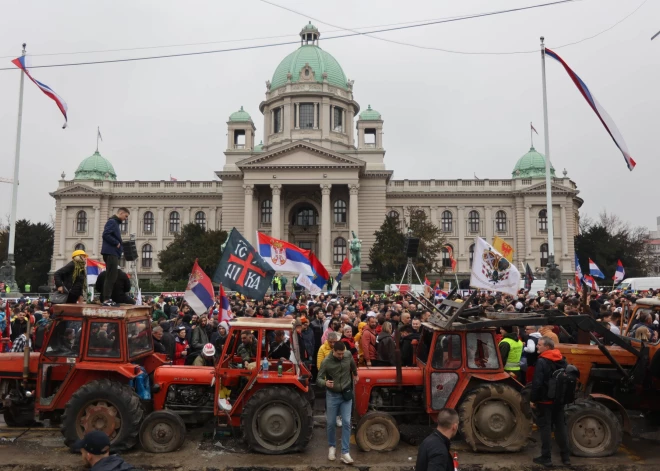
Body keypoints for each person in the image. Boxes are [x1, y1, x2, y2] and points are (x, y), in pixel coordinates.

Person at [530, 336, 571, 467]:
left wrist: (533, 399)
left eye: (540, 345)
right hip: (559, 400)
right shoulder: (562, 359)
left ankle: (546, 457)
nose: (537, 346)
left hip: (545, 401)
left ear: (547, 347)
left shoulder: (542, 361)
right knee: (561, 427)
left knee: (545, 428)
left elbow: (537, 383)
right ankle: (566, 458)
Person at [317, 340, 358, 465]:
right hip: (332, 395)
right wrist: (325, 383)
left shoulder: (348, 355)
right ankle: (332, 447)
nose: (341, 356)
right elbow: (318, 379)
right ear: (333, 351)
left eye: (342, 353)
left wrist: (355, 374)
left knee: (346, 422)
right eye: (339, 354)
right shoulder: (326, 362)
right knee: (330, 423)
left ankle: (345, 453)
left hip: (346, 394)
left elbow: (352, 364)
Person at [101, 208, 130, 307]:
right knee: (111, 276)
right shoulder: (112, 222)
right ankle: (106, 299)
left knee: (111, 276)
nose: (126, 219)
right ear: (121, 213)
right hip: (111, 252)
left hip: (112, 252)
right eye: (125, 216)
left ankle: (107, 298)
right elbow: (105, 234)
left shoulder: (114, 223)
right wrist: (116, 242)